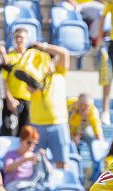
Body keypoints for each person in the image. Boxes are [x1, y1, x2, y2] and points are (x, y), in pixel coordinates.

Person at [24, 42, 73, 170]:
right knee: (36, 161)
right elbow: (31, 89)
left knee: (62, 161)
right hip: (37, 124)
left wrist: (43, 47)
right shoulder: (33, 76)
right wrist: (43, 73)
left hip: (58, 123)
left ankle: (61, 188)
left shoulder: (60, 72)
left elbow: (64, 53)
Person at [2, 126, 51, 191]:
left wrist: (44, 159)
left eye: (35, 144)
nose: (32, 146)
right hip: (14, 188)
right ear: (21, 140)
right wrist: (26, 159)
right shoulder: (11, 154)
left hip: (30, 187)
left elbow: (48, 173)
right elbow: (7, 169)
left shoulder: (35, 156)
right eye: (29, 142)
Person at [1, 28, 30, 138]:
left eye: (21, 37)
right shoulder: (9, 57)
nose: (18, 40)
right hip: (12, 101)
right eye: (16, 37)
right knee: (10, 133)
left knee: (25, 134)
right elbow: (3, 80)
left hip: (28, 101)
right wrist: (9, 99)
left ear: (26, 39)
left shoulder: (31, 57)